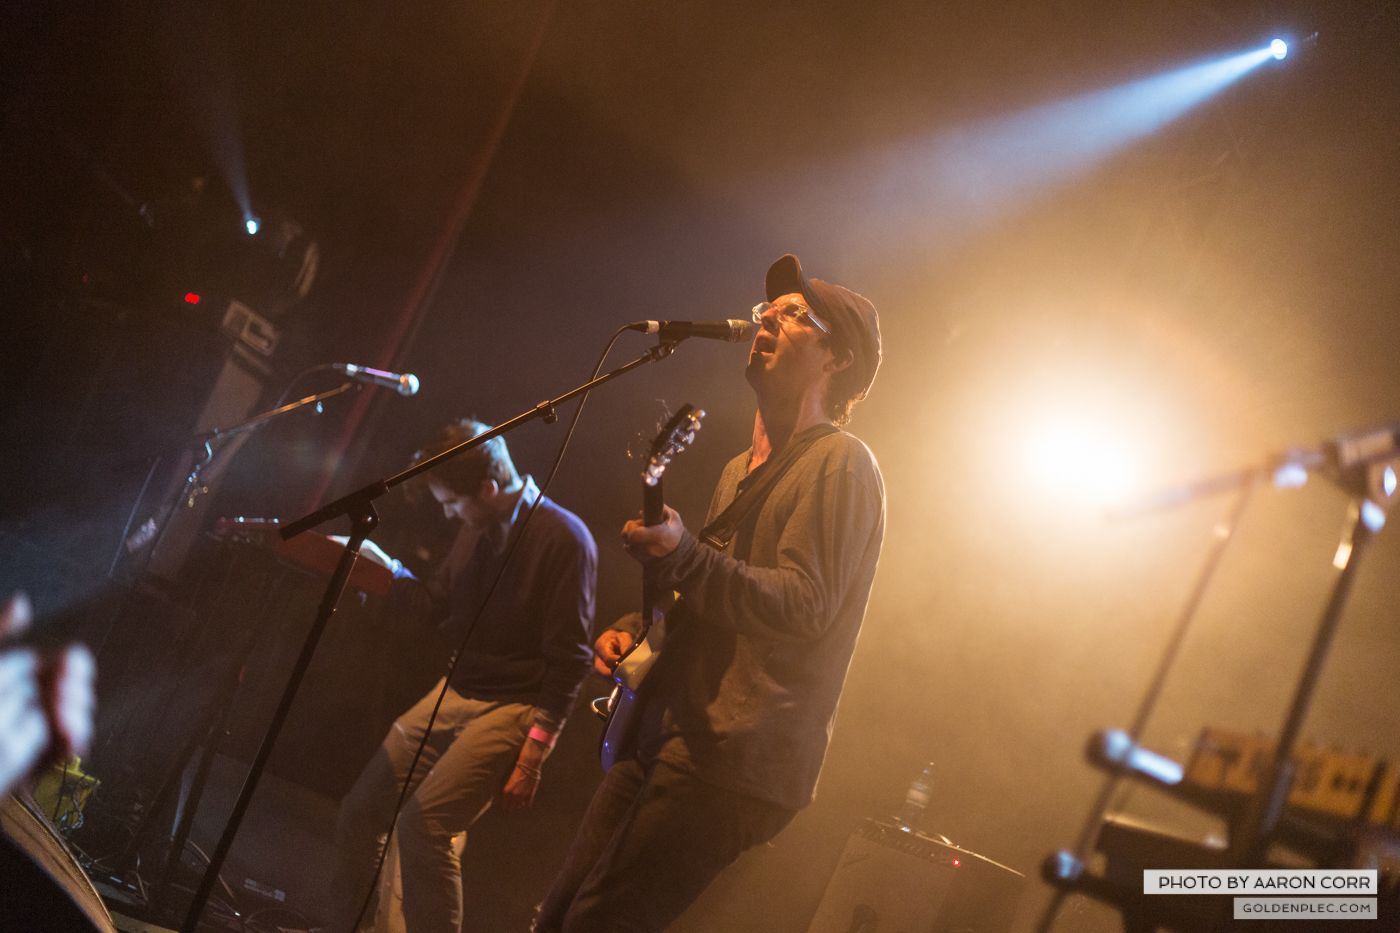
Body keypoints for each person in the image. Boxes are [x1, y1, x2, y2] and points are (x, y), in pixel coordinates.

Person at [536, 254, 886, 931]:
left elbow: (806, 604)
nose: (766, 320)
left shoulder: (841, 463)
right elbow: (716, 594)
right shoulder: (736, 469)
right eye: (767, 311)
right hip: (670, 729)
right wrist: (639, 626)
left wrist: (685, 556)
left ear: (837, 358)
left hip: (732, 755)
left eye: (793, 316)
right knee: (557, 915)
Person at [330, 420, 596, 933]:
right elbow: (437, 605)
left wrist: (534, 754)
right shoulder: (478, 525)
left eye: (453, 503)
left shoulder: (565, 538)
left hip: (515, 704)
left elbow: (572, 659)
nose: (449, 514)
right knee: (360, 812)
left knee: (424, 825)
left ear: (489, 489)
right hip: (456, 689)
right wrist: (384, 572)